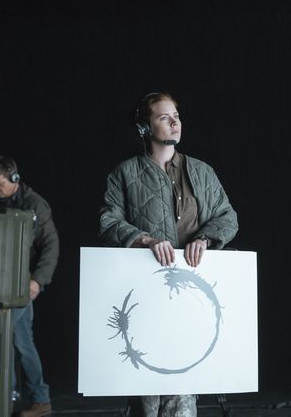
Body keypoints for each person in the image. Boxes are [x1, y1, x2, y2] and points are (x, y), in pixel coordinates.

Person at [99, 92, 239, 417]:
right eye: (164, 117)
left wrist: (204, 238)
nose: (175, 123)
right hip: (145, 296)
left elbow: (227, 217)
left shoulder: (202, 172)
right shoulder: (125, 173)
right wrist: (144, 239)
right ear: (145, 128)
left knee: (183, 384)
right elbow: (108, 221)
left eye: (176, 116)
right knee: (145, 388)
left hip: (191, 295)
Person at [0, 156, 59, 417]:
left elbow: (51, 245)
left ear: (14, 179)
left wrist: (37, 280)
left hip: (22, 285)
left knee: (5, 336)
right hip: (2, 285)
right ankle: (38, 399)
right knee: (22, 342)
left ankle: (10, 398)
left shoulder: (35, 205)